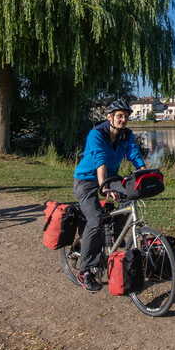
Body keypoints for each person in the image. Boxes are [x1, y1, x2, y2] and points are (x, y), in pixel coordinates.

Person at [72, 99, 146, 292]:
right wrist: (104, 186)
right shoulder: (96, 134)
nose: (123, 120)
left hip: (110, 176)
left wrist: (144, 172)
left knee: (131, 196)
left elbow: (134, 154)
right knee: (95, 219)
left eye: (126, 116)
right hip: (86, 179)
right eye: (120, 116)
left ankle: (120, 242)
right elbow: (100, 160)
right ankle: (85, 270)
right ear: (110, 117)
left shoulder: (126, 135)